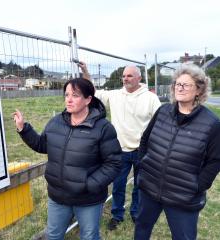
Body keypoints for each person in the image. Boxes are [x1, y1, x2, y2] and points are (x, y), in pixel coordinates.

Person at [13, 78, 122, 240]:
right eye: (66, 95)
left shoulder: (103, 128)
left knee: (90, 236)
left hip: (88, 199)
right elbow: (42, 145)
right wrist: (24, 129)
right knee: (53, 235)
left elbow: (113, 163)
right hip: (58, 196)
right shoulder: (56, 122)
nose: (69, 99)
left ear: (88, 99)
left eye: (75, 95)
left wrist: (89, 184)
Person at [134, 63, 220, 240]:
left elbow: (215, 160)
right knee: (142, 228)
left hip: (183, 196)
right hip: (150, 187)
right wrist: (143, 165)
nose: (179, 88)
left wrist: (197, 186)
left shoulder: (211, 123)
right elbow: (145, 140)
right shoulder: (163, 111)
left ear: (198, 90)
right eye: (177, 84)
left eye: (186, 84)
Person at [79, 62, 161, 230]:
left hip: (142, 151)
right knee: (118, 186)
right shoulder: (115, 95)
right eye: (123, 76)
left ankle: (136, 213)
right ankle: (117, 214)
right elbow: (92, 91)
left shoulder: (150, 98)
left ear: (139, 78)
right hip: (119, 150)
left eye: (129, 75)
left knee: (140, 185)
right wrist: (86, 72)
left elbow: (159, 122)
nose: (125, 79)